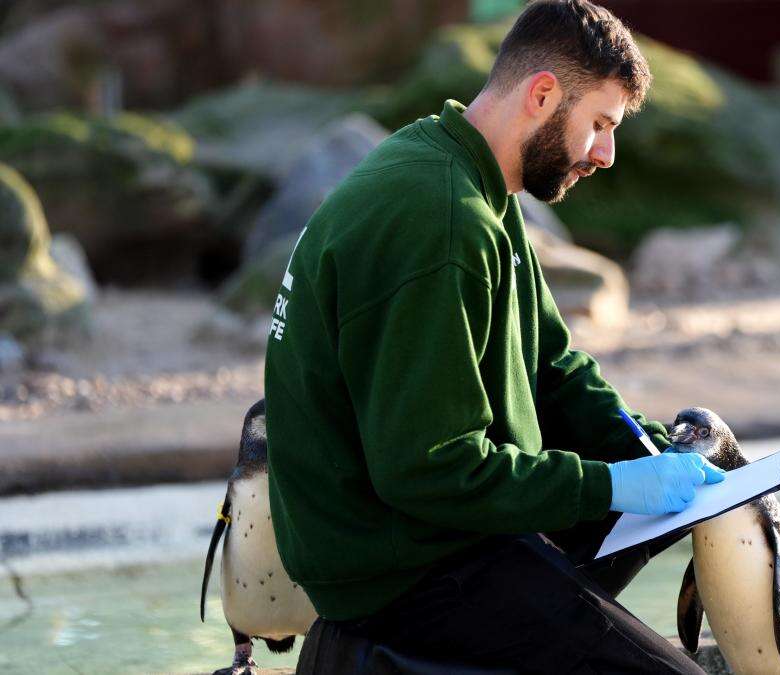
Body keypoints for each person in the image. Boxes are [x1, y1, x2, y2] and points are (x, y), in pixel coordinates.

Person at [264, 1, 725, 671]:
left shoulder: (476, 180)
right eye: (599, 123)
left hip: (455, 531)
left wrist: (644, 449)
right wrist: (610, 486)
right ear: (542, 95)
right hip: (405, 573)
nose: (606, 153)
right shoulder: (441, 218)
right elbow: (429, 467)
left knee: (685, 489)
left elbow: (554, 364)